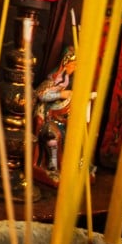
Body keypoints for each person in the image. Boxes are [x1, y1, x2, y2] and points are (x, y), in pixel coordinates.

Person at [33, 46, 77, 184]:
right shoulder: (54, 79)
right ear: (66, 63)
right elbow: (40, 94)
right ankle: (52, 167)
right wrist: (60, 94)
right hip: (46, 118)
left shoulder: (68, 81)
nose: (74, 68)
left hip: (60, 119)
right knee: (54, 136)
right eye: (73, 64)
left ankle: (68, 167)